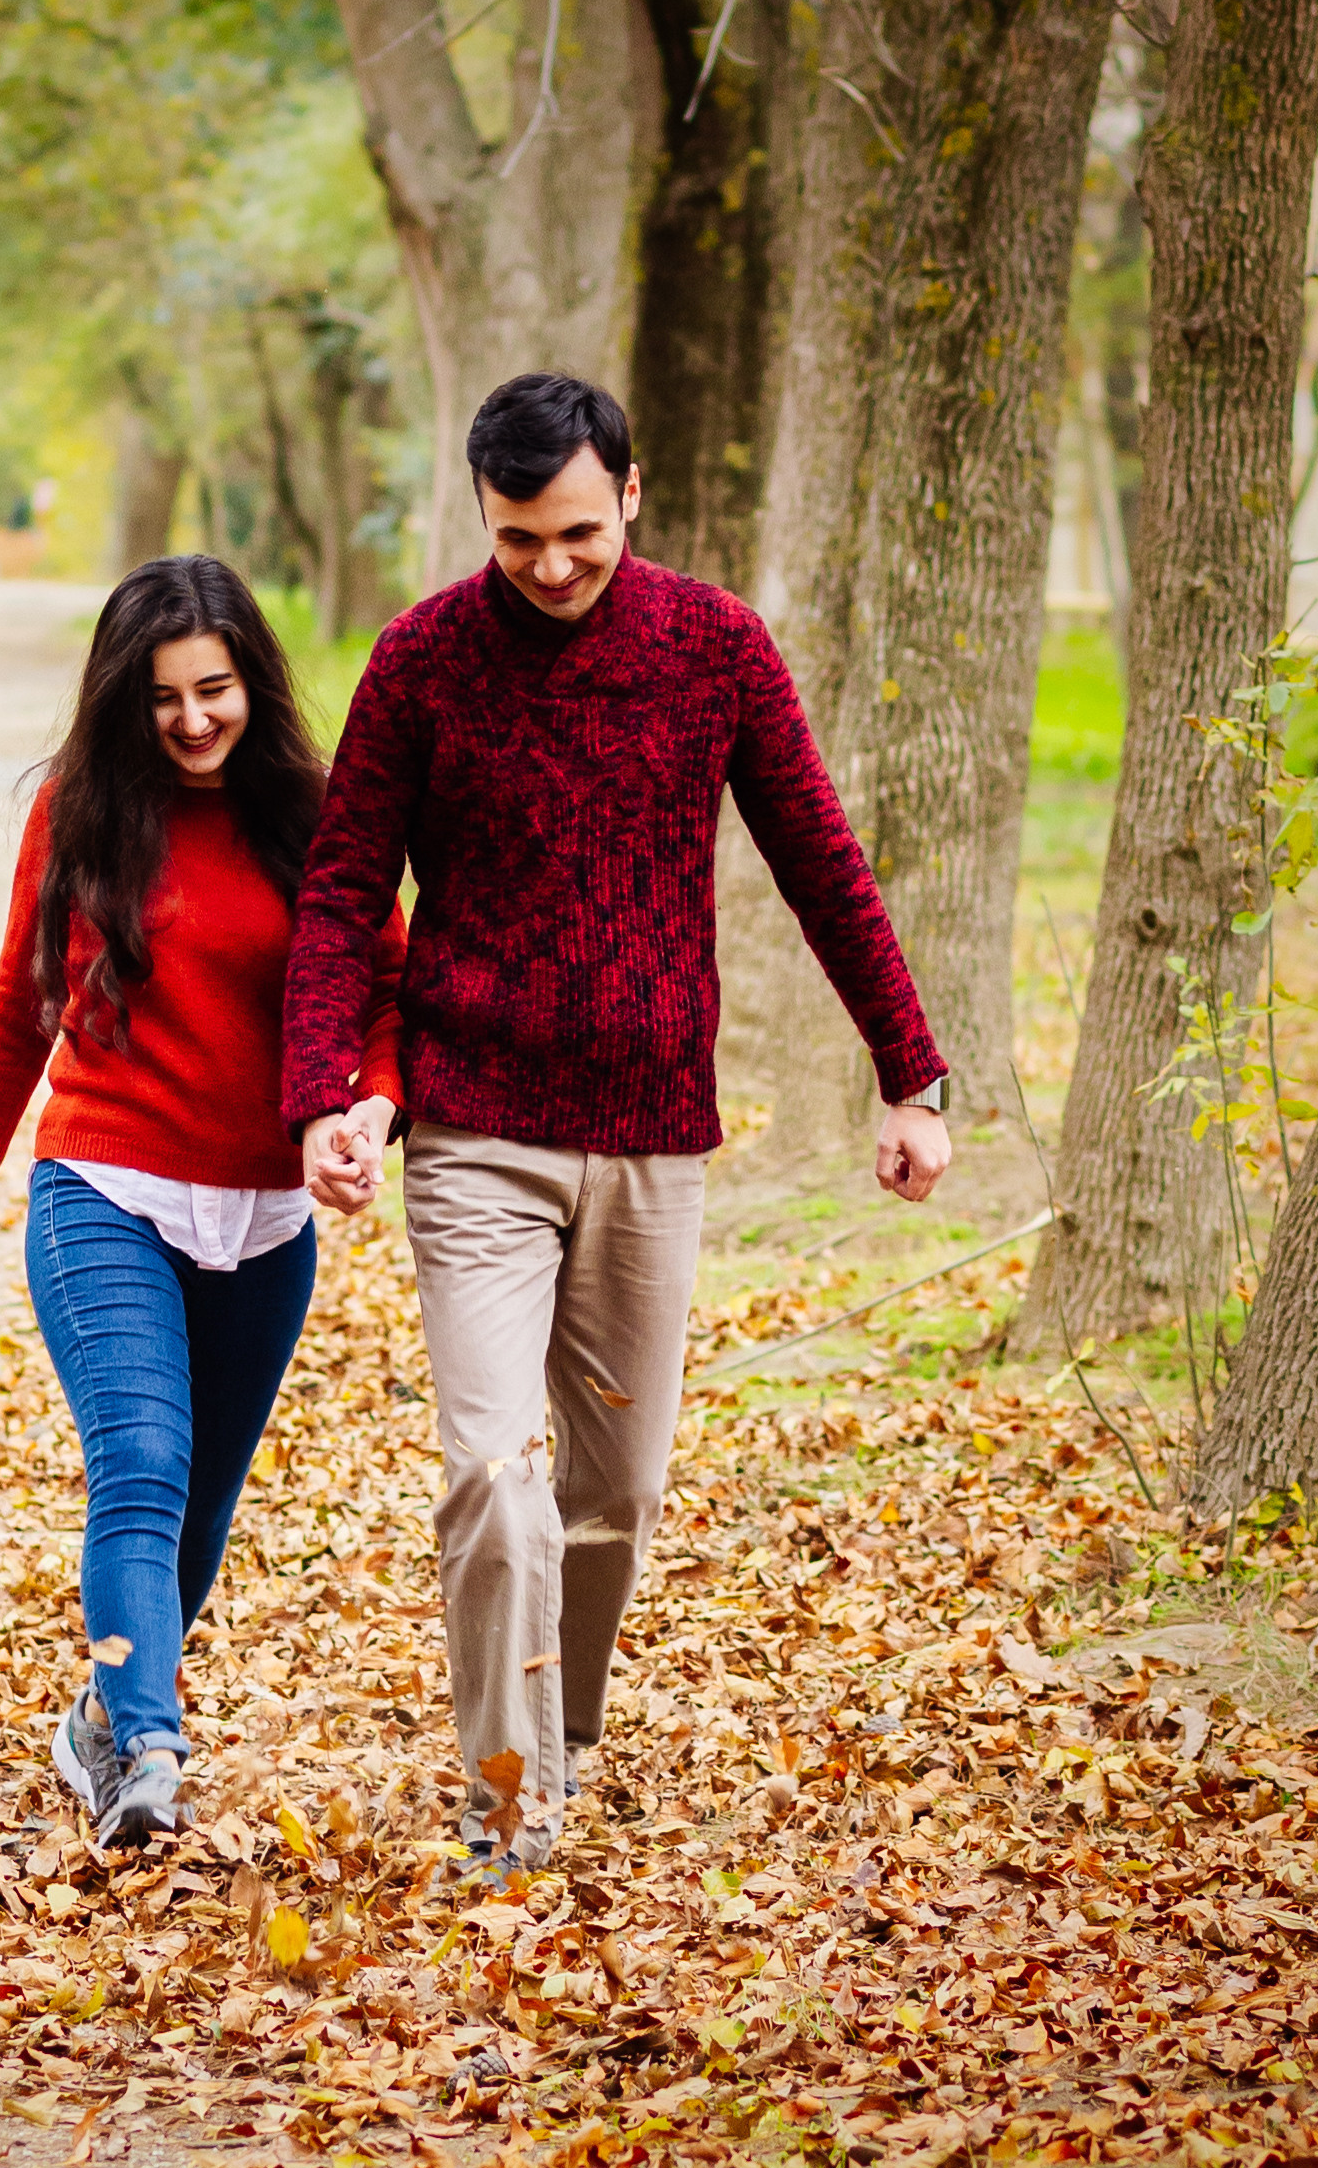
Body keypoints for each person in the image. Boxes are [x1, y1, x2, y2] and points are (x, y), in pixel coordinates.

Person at [282, 371, 949, 1873]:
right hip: (474, 1134)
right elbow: (342, 889)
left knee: (614, 1494)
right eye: (519, 539)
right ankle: (506, 1792)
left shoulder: (715, 649)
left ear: (630, 498)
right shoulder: (421, 660)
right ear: (482, 517)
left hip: (652, 1136)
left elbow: (820, 864)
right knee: (489, 1471)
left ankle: (567, 1727)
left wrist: (909, 1075)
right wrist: (327, 1089)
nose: (552, 567)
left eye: (577, 532)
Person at [0, 557, 405, 1852]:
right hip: (103, 1188)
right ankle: (152, 1749)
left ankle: (101, 1718)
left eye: (214, 691)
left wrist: (369, 1106)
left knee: (201, 1507)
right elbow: (20, 1017)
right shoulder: (77, 811)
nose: (190, 720)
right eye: (163, 697)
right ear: (124, 698)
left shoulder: (312, 811)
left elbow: (391, 995)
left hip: (263, 1217)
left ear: (253, 682)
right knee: (139, 1467)